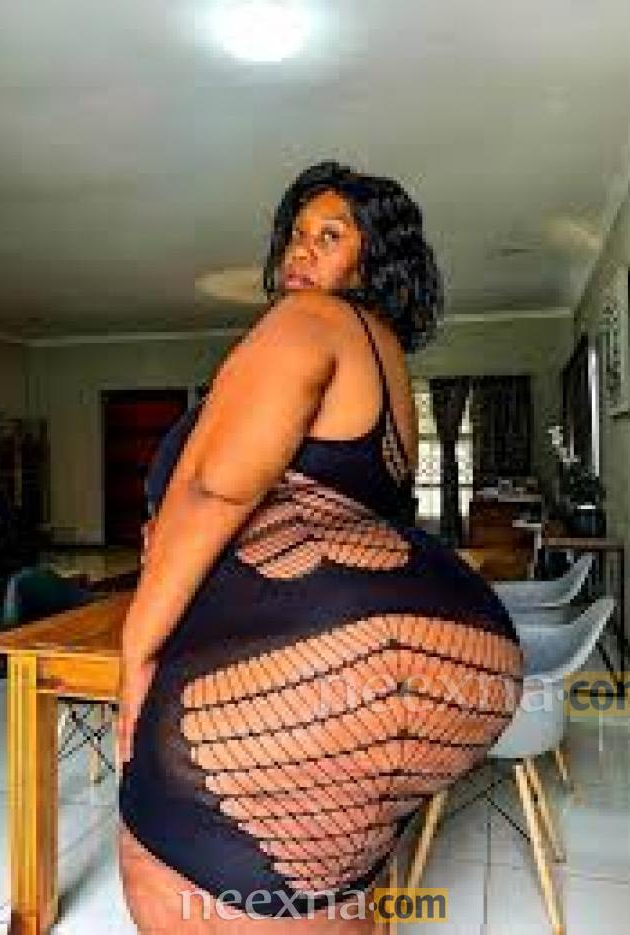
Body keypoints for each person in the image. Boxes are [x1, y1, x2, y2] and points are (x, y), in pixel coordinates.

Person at [117, 161, 523, 933]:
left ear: (373, 262)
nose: (301, 252)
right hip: (464, 662)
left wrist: (136, 654)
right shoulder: (387, 366)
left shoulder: (310, 321)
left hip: (315, 668)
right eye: (297, 235)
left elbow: (213, 490)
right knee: (329, 889)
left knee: (170, 865)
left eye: (330, 237)